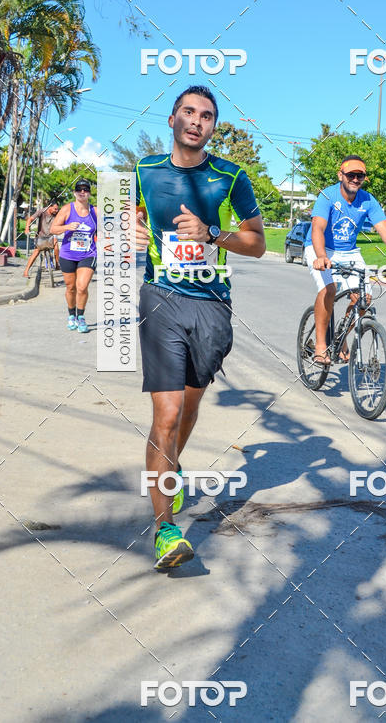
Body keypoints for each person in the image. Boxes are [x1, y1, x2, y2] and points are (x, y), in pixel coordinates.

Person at [134, 84, 265, 571]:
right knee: (165, 416)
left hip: (211, 304)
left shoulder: (231, 176)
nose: (196, 121)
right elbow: (133, 211)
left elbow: (257, 243)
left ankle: (173, 467)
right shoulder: (145, 170)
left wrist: (213, 232)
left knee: (188, 410)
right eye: (188, 112)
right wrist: (130, 223)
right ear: (172, 119)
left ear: (212, 126)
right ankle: (166, 530)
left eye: (206, 116)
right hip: (161, 298)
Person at [304, 155, 386, 365]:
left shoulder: (368, 200)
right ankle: (320, 346)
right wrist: (321, 256)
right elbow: (318, 228)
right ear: (341, 175)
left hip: (349, 251)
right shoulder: (327, 197)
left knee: (363, 298)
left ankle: (339, 339)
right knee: (329, 289)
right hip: (320, 247)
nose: (355, 179)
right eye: (351, 175)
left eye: (360, 175)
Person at [50, 179, 97, 333]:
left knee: (82, 287)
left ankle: (81, 317)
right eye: (79, 189)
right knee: (71, 288)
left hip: (88, 254)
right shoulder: (66, 209)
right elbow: (53, 229)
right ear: (74, 192)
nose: (82, 192)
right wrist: (67, 227)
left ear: (89, 192)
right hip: (68, 254)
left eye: (85, 189)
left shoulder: (95, 211)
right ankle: (72, 315)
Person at [23, 198, 60, 277]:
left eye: (57, 209)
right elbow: (30, 219)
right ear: (50, 206)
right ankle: (26, 271)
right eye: (55, 209)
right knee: (36, 252)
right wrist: (27, 228)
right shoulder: (42, 211)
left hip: (51, 235)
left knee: (56, 246)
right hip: (41, 236)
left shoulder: (57, 214)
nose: (56, 211)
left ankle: (57, 264)